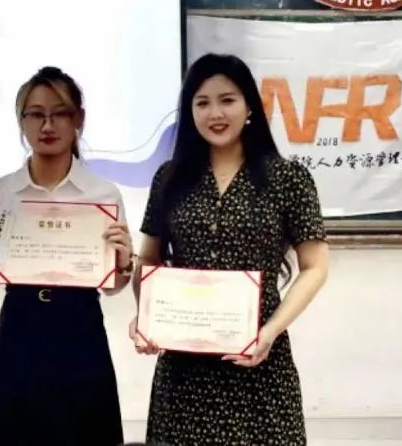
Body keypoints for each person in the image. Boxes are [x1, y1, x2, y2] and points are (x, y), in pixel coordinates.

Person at [131, 53, 330, 446]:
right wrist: (147, 319)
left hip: (258, 361)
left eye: (227, 100)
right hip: (184, 372)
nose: (215, 113)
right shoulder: (169, 178)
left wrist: (270, 331)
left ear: (249, 106)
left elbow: (315, 266)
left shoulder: (288, 178)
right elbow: (149, 259)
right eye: (202, 103)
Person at [0, 66, 133, 446]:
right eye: (35, 114)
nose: (47, 125)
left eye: (60, 113)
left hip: (80, 328)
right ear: (22, 121)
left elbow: (113, 287)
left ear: (78, 119)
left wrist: (125, 261)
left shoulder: (103, 195)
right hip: (19, 329)